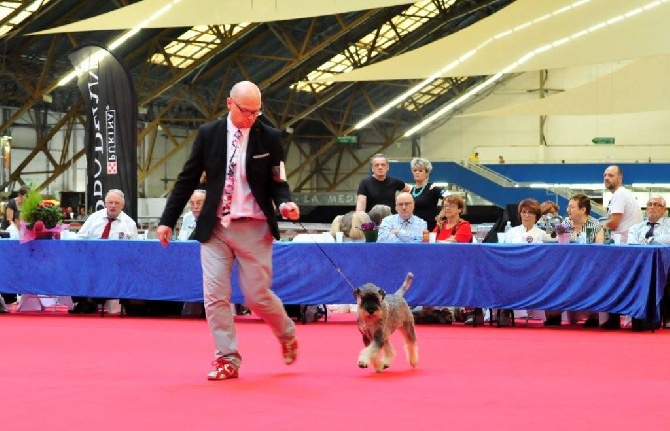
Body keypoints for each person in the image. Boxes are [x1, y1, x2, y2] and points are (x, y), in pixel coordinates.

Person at [155, 80, 301, 381]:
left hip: (255, 227)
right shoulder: (209, 134)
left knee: (256, 297)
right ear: (229, 104)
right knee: (215, 296)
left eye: (256, 112)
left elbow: (278, 181)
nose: (250, 118)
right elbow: (187, 178)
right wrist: (167, 220)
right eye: (245, 111)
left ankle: (286, 332)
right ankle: (227, 359)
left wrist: (285, 204)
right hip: (216, 228)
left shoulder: (270, 137)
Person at [70, 189, 138, 314]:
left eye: (117, 203)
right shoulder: (94, 218)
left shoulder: (129, 224)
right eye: (110, 202)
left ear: (122, 205)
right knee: (73, 266)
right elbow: (80, 239)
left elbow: (134, 250)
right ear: (105, 203)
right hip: (92, 260)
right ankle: (84, 301)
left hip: (117, 264)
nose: (113, 206)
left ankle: (93, 301)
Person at [544, 193, 603, 327]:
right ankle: (554, 314)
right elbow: (558, 246)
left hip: (588, 267)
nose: (568, 210)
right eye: (568, 207)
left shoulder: (595, 226)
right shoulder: (564, 224)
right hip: (567, 266)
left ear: (583, 210)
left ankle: (593, 316)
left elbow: (600, 250)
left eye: (572, 207)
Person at [601, 165, 643, 330]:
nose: (606, 178)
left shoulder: (619, 194)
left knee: (616, 283)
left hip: (623, 247)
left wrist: (594, 227)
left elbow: (613, 223)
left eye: (611, 175)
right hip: (626, 246)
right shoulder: (621, 194)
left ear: (620, 178)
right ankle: (614, 318)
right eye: (605, 175)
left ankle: (613, 319)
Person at [409, 157, 444, 231]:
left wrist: (441, 214)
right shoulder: (412, 190)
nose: (417, 172)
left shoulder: (433, 188)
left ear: (427, 173)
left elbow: (452, 198)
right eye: (415, 170)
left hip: (429, 228)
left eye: (420, 170)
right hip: (414, 228)